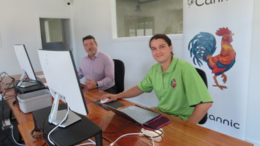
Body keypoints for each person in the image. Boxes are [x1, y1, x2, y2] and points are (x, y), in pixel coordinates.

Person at [101, 34, 213, 124]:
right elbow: (140, 88)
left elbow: (205, 103)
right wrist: (117, 96)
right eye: (153, 48)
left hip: (180, 119)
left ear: (171, 48)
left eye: (162, 46)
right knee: (125, 122)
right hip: (161, 114)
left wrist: (189, 128)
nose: (157, 52)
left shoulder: (185, 68)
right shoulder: (155, 69)